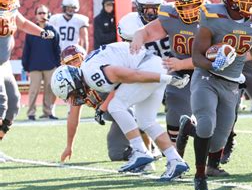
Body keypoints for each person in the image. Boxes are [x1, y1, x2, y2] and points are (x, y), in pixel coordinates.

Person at [185, 0, 252, 190]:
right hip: (206, 78)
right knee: (206, 124)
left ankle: (209, 161)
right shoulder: (212, 16)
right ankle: (200, 176)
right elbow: (196, 57)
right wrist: (214, 64)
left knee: (220, 138)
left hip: (232, 83)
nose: (251, 2)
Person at [51, 42, 190, 179]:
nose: (74, 98)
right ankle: (176, 161)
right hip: (151, 66)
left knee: (115, 106)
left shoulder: (90, 72)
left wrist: (166, 78)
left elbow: (132, 75)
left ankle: (140, 150)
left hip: (147, 68)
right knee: (146, 120)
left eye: (72, 93)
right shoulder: (87, 73)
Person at [130, 0, 203, 148]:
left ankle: (216, 146)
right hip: (155, 72)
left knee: (209, 113)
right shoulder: (131, 22)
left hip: (189, 68)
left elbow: (208, 58)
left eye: (154, 7)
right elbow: (142, 35)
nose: (150, 12)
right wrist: (138, 36)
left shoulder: (206, 18)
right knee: (140, 112)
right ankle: (148, 150)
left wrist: (181, 63)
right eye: (145, 7)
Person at [0, 0, 55, 141]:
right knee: (1, 102)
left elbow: (22, 23)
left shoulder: (10, 7)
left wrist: (41, 32)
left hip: (4, 63)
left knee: (14, 103)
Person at [22, 5, 61, 120]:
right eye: (39, 13)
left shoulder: (53, 30)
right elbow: (26, 50)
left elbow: (57, 49)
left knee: (50, 90)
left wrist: (58, 65)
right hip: (34, 66)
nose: (42, 15)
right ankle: (31, 113)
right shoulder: (31, 31)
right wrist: (26, 66)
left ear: (48, 14)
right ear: (36, 15)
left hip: (50, 66)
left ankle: (48, 112)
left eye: (44, 13)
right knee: (34, 90)